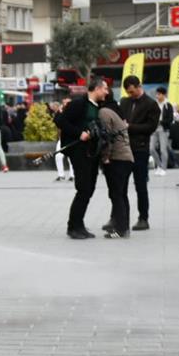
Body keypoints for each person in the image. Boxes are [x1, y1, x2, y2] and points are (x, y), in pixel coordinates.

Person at [57, 78, 107, 240]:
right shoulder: (79, 103)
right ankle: (73, 226)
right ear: (97, 89)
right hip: (78, 151)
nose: (107, 92)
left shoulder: (97, 106)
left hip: (91, 153)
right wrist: (79, 133)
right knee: (83, 189)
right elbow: (60, 120)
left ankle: (79, 224)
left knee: (89, 189)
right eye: (105, 89)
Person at [117, 75, 159, 232]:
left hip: (140, 150)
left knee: (140, 186)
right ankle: (120, 218)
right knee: (120, 186)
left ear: (138, 86)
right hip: (124, 149)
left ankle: (143, 218)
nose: (130, 94)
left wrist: (130, 127)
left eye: (132, 91)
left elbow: (150, 127)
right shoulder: (124, 102)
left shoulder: (151, 104)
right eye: (128, 92)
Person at [98, 97, 134, 239]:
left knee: (117, 195)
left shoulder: (104, 112)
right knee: (121, 194)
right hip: (126, 158)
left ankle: (120, 230)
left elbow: (107, 137)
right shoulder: (114, 112)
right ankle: (124, 227)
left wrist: (105, 157)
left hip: (117, 159)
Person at [151, 87, 174, 175]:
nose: (157, 96)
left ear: (164, 95)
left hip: (163, 129)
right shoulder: (154, 104)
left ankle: (163, 168)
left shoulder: (168, 105)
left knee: (163, 149)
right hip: (154, 129)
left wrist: (161, 122)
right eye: (157, 94)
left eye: (159, 94)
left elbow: (170, 119)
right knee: (151, 149)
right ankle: (159, 165)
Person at [51, 100, 72, 182]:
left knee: (71, 158)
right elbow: (56, 122)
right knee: (58, 156)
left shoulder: (74, 112)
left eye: (67, 103)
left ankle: (72, 175)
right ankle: (61, 175)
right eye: (64, 103)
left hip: (71, 138)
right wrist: (58, 113)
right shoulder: (61, 113)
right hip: (62, 138)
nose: (65, 104)